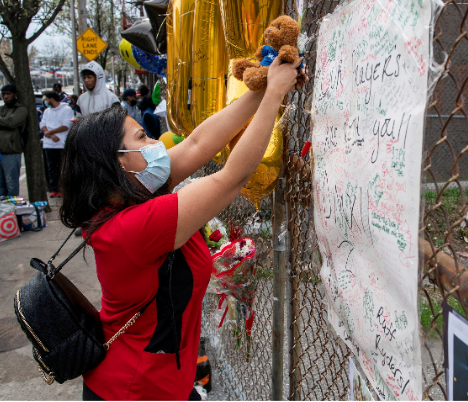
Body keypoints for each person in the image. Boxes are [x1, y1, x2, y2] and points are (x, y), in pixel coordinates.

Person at [59, 56, 305, 401]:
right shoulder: (136, 227)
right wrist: (275, 94)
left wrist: (260, 88)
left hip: (156, 380)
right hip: (135, 389)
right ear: (118, 161)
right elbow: (232, 178)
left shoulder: (128, 193)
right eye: (142, 137)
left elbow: (197, 144)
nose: (156, 145)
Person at [40, 91, 74, 198]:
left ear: (52, 99)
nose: (45, 102)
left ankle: (62, 188)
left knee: (62, 167)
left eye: (46, 99)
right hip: (49, 144)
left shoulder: (66, 110)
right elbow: (42, 124)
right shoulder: (47, 111)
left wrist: (49, 132)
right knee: (51, 167)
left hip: (61, 144)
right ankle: (53, 188)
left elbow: (66, 125)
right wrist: (49, 135)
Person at [0, 84, 27, 197]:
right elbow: (7, 122)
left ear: (15, 95)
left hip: (11, 150)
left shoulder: (20, 110)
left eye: (8, 94)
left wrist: (5, 122)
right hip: (1, 151)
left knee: (11, 183)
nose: (6, 97)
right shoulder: (2, 109)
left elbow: (12, 123)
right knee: (1, 184)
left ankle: (13, 208)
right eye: (3, 94)